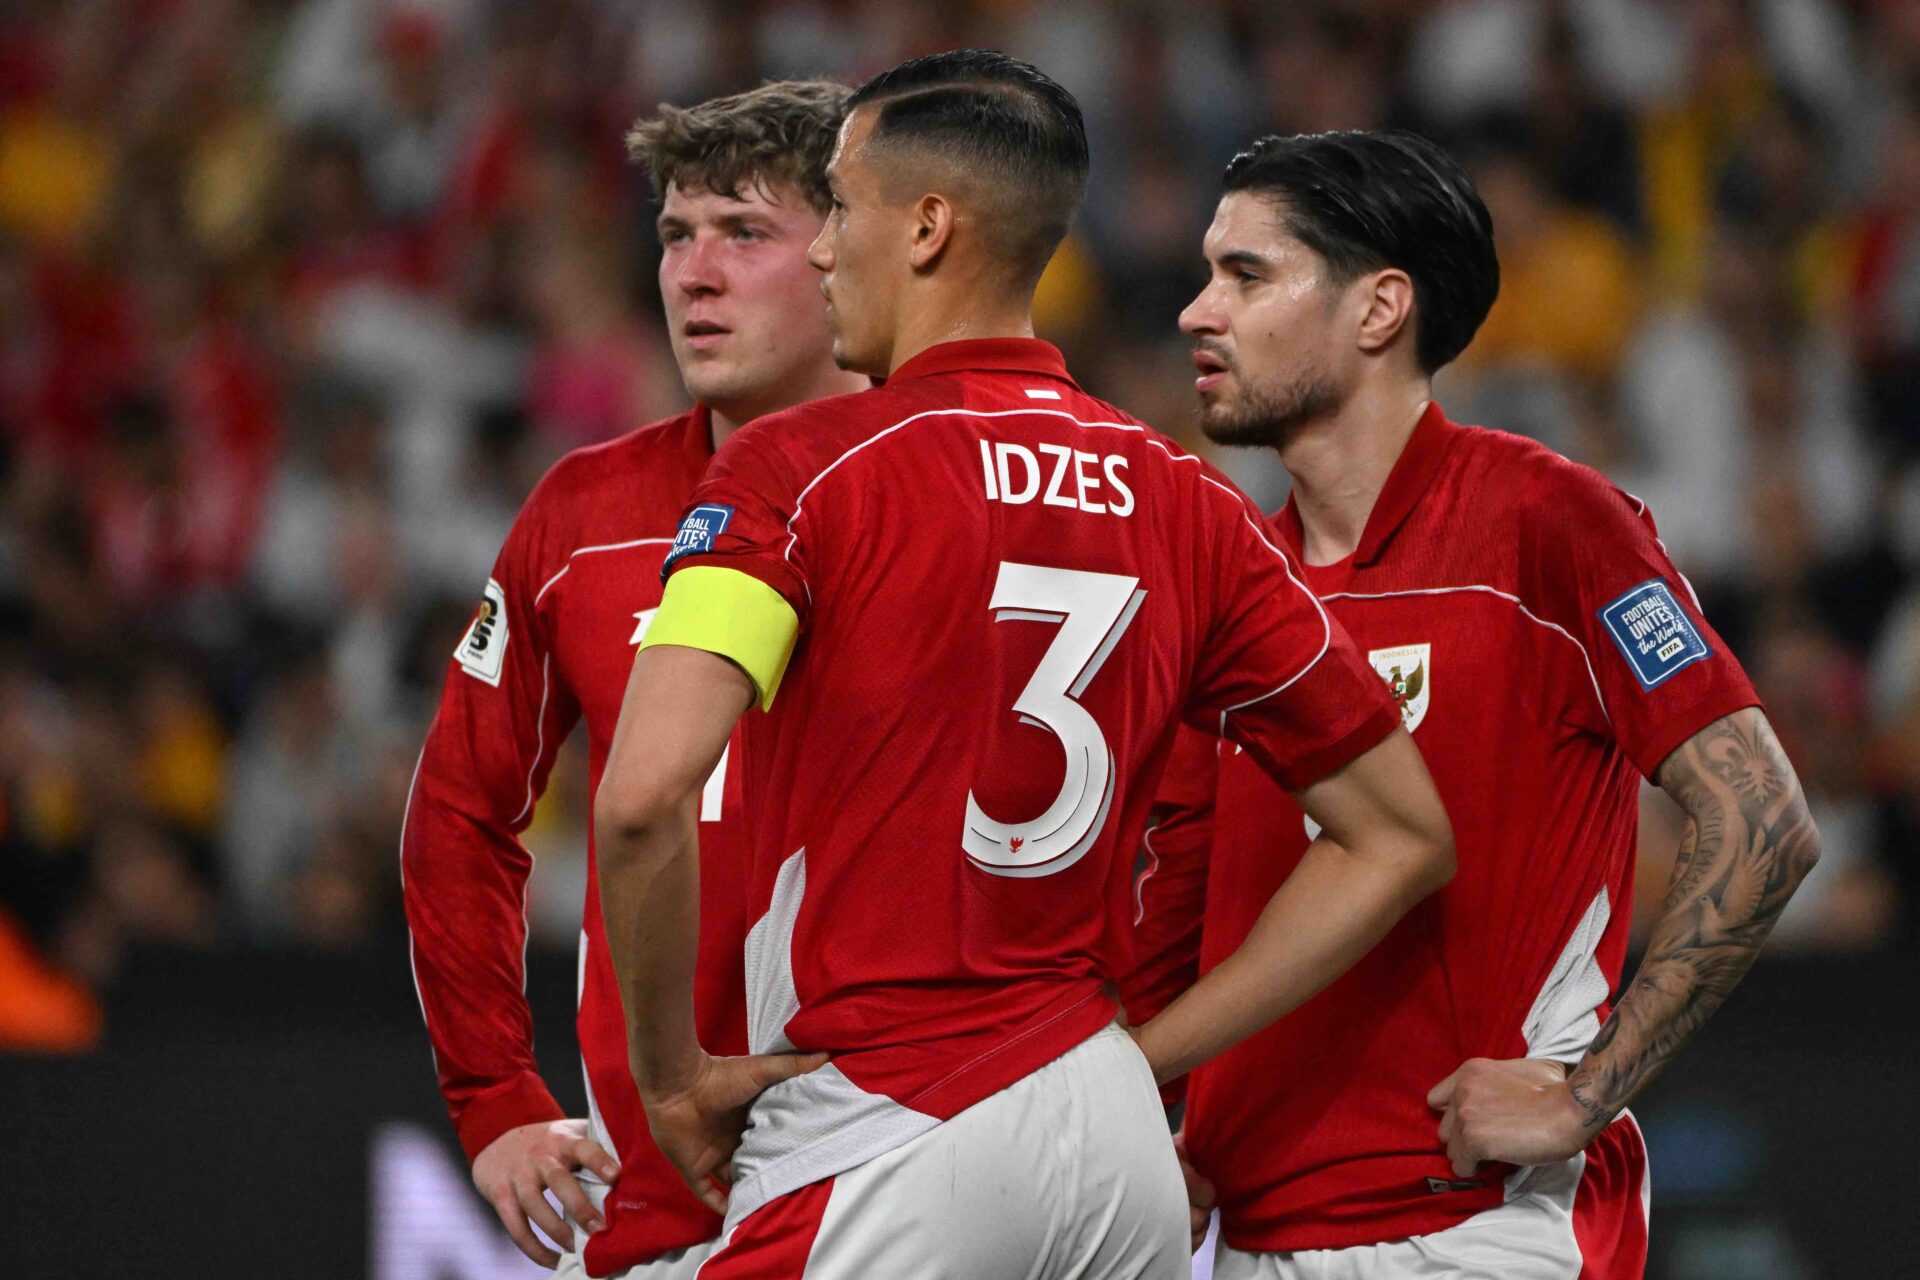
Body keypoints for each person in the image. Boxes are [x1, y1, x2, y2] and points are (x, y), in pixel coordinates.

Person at [592, 51, 1454, 1280]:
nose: (823, 250)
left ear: (928, 227)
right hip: (1110, 1137)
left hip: (887, 1114)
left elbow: (639, 797)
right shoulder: (1187, 499)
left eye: (840, 209)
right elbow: (1402, 834)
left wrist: (670, 1078)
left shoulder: (798, 469)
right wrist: (1143, 1058)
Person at [1137, 130, 1822, 1279]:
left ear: (1379, 309)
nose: (1197, 312)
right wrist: (1147, 1118)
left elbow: (1764, 816)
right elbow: (1179, 917)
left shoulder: (1549, 522)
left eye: (1246, 275)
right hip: (1248, 1236)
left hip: (1483, 1229)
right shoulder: (1230, 588)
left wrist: (1586, 1092)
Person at [399, 80, 868, 1279]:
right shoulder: (586, 514)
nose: (693, 275)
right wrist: (494, 1094)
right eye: (674, 234)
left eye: (744, 232)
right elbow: (459, 808)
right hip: (655, 1205)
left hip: (905, 1171)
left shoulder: (954, 491)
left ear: (849, 250)